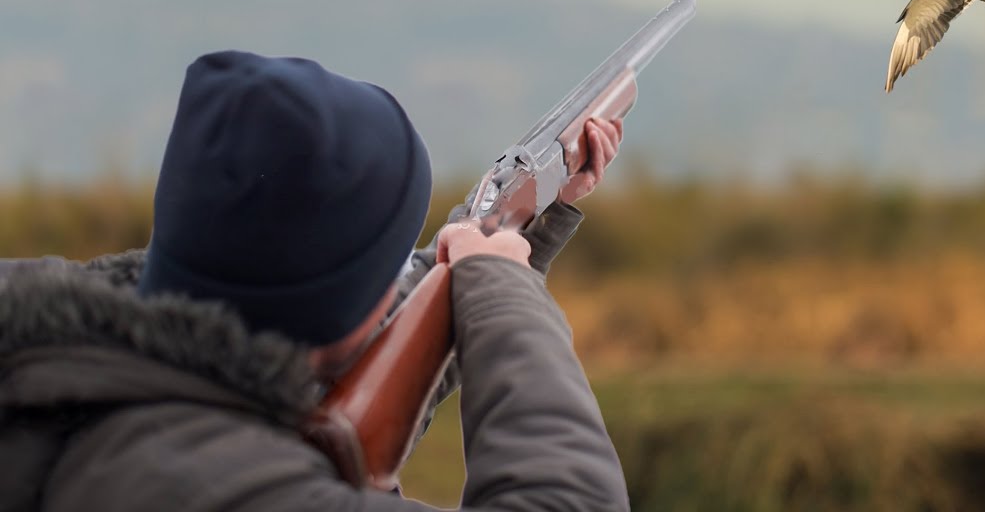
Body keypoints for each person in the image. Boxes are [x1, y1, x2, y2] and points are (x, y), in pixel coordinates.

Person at [0, 50, 629, 511]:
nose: (402, 281)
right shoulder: (245, 488)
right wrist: (501, 286)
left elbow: (359, 319)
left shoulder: (66, 373)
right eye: (388, 265)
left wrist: (525, 223)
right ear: (336, 309)